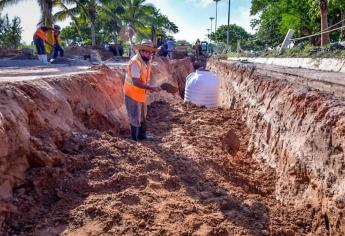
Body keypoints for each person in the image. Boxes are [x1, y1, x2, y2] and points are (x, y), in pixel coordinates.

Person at [123, 39, 160, 141]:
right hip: (132, 93)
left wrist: (148, 87)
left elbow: (143, 78)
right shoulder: (135, 62)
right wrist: (150, 87)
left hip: (141, 93)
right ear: (141, 51)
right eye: (147, 52)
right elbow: (135, 82)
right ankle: (134, 140)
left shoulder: (146, 61)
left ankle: (142, 136)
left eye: (151, 52)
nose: (149, 54)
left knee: (143, 116)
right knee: (135, 117)